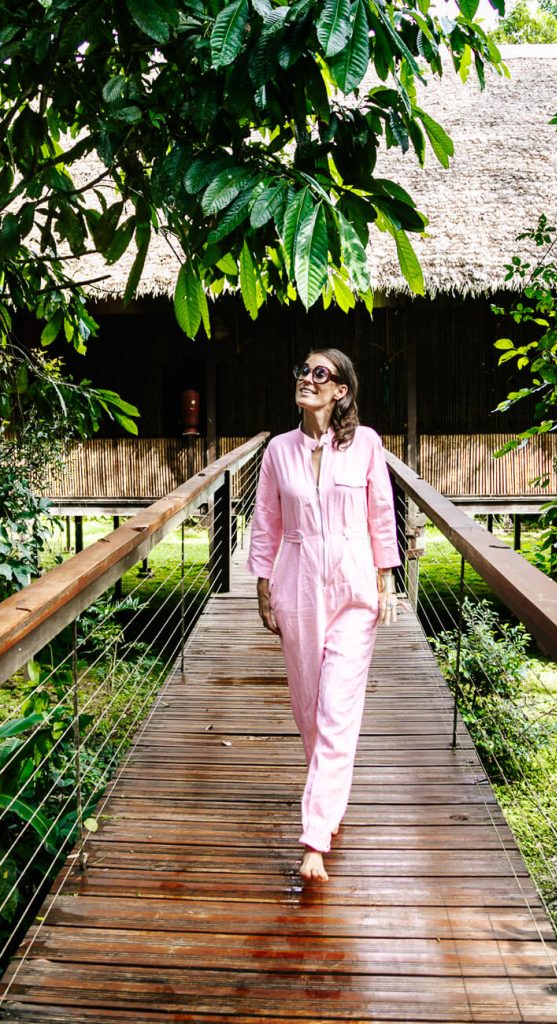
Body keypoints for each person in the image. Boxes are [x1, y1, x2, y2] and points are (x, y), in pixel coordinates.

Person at [247, 348, 400, 882]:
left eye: (320, 374)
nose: (307, 380)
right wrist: (262, 584)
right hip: (297, 585)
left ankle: (315, 837)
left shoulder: (366, 445)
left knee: (336, 709)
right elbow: (266, 520)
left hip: (355, 586)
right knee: (309, 706)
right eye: (303, 371)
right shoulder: (278, 452)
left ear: (341, 391)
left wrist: (387, 579)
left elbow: (382, 512)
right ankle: (329, 797)